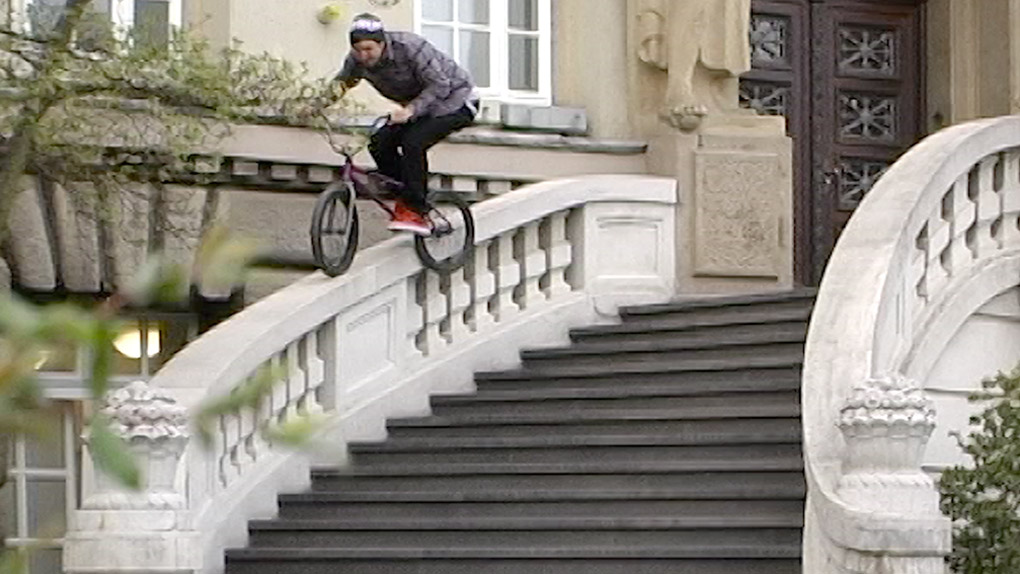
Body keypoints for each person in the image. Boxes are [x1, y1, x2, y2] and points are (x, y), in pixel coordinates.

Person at [333, 13, 478, 235]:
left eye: (369, 49)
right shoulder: (356, 61)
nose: (364, 55)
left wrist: (410, 110)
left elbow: (441, 85)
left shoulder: (410, 47)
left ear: (382, 43)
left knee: (413, 142)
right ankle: (408, 192)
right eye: (358, 50)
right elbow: (340, 85)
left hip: (457, 101)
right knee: (379, 142)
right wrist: (311, 107)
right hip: (418, 108)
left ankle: (416, 209)